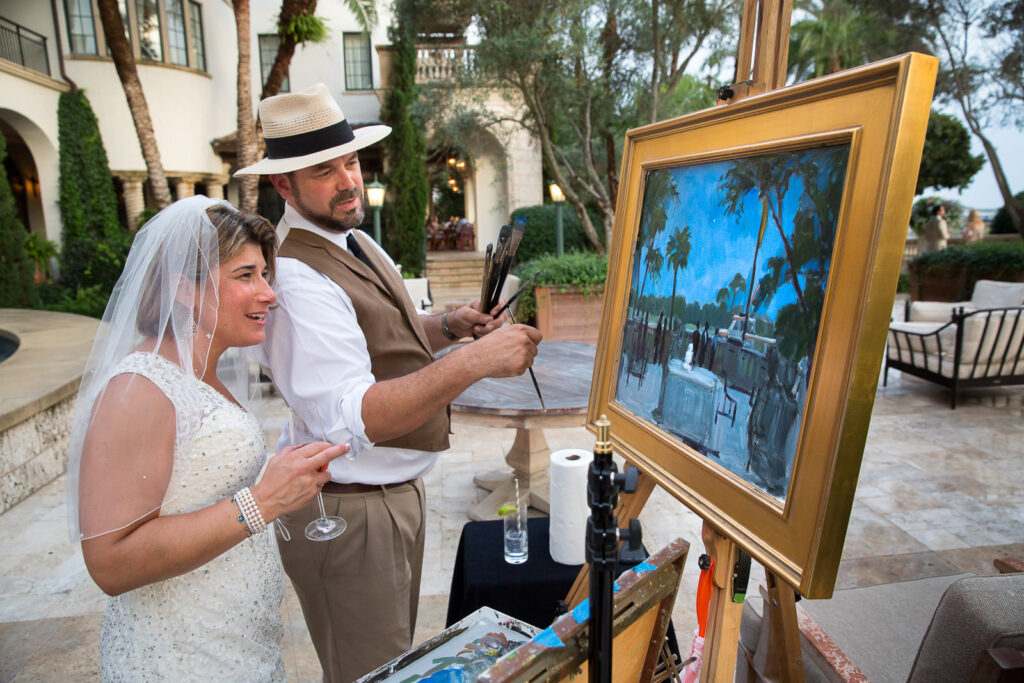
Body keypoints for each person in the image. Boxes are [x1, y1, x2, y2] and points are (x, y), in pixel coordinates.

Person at [236, 83, 542, 683]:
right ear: (284, 186)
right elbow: (352, 418)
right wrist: (476, 361)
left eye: (350, 161)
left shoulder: (354, 239)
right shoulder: (295, 277)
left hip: (389, 498)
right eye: (323, 170)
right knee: (371, 674)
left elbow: (385, 334)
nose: (347, 180)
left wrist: (449, 326)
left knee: (394, 665)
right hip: (349, 514)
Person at [67, 196, 348, 680]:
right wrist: (263, 500)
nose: (269, 294)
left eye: (265, 275)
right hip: (179, 657)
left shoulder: (202, 374)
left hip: (237, 640)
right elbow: (110, 563)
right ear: (184, 289)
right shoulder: (139, 389)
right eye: (246, 276)